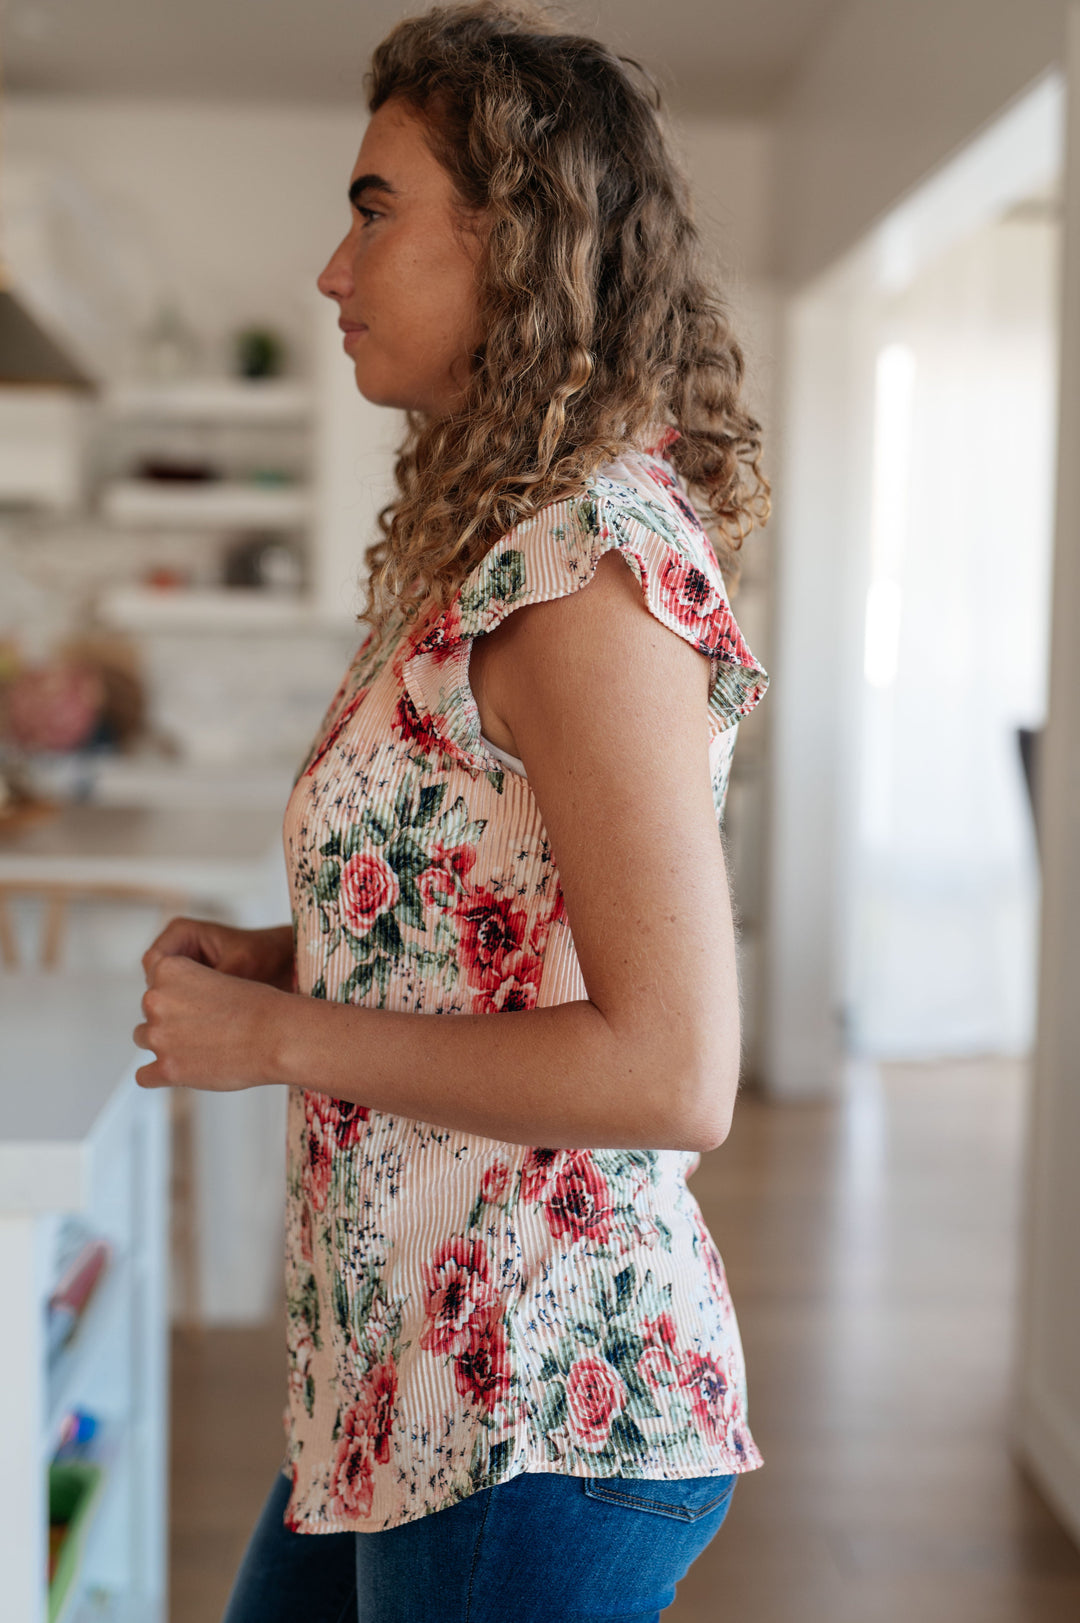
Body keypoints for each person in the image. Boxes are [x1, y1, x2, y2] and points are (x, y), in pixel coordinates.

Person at [134, 5, 770, 1619]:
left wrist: (280, 1042)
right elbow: (501, 923)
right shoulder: (496, 549)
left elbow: (670, 1067)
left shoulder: (585, 575)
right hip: (397, 1380)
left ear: (519, 239)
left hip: (538, 1403)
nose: (332, 273)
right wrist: (295, 961)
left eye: (372, 209)